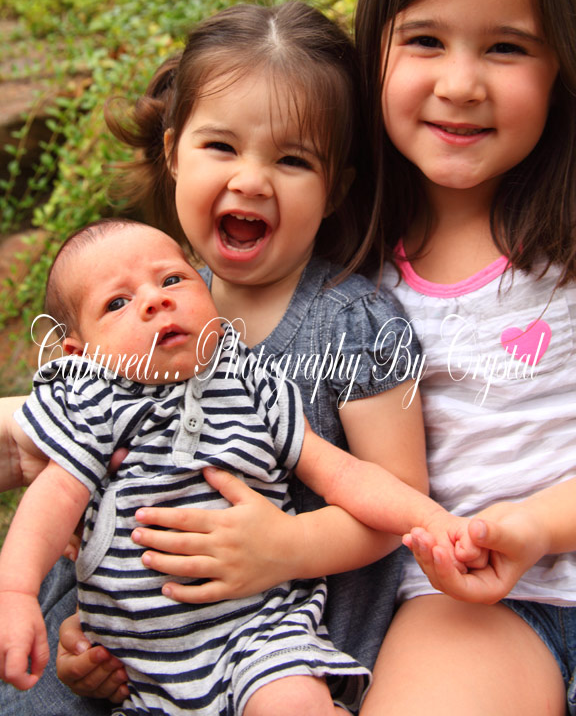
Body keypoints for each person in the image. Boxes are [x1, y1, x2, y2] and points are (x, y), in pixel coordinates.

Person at [0, 2, 433, 713]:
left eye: (292, 160)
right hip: (140, 647)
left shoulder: (350, 325)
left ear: (335, 189)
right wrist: (88, 636)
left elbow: (400, 496)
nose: (252, 181)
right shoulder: (130, 318)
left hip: (278, 640)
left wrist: (287, 545)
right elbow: (72, 494)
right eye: (221, 147)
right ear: (174, 153)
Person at [0, 217, 453, 715]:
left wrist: (431, 519)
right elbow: (52, 497)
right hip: (141, 668)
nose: (155, 300)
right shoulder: (92, 402)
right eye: (117, 303)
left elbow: (343, 475)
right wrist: (16, 590)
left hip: (260, 630)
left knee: (291, 703)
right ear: (79, 354)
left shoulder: (253, 383)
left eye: (172, 279)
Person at [349, 0, 576, 716]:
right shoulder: (347, 263)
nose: (461, 83)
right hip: (469, 601)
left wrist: (539, 525)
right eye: (426, 40)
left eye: (507, 48)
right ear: (374, 51)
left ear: (562, 67)